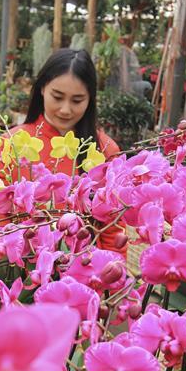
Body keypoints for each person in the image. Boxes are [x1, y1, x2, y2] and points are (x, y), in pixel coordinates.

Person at [10, 48, 127, 252]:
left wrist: (111, 274)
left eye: (77, 100)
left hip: (84, 269)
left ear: (90, 99)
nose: (65, 110)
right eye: (57, 97)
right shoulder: (13, 142)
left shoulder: (105, 150)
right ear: (42, 89)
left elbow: (112, 228)